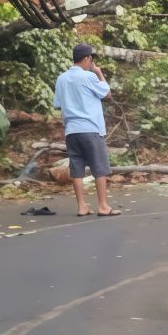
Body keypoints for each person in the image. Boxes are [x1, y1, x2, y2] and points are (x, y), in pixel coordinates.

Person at [53, 44, 120, 217]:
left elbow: (57, 104)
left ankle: (82, 207)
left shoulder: (61, 78)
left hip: (71, 131)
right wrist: (99, 73)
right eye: (91, 59)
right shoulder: (89, 76)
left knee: (77, 169)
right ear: (87, 58)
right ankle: (103, 206)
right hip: (91, 129)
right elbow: (107, 95)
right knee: (99, 168)